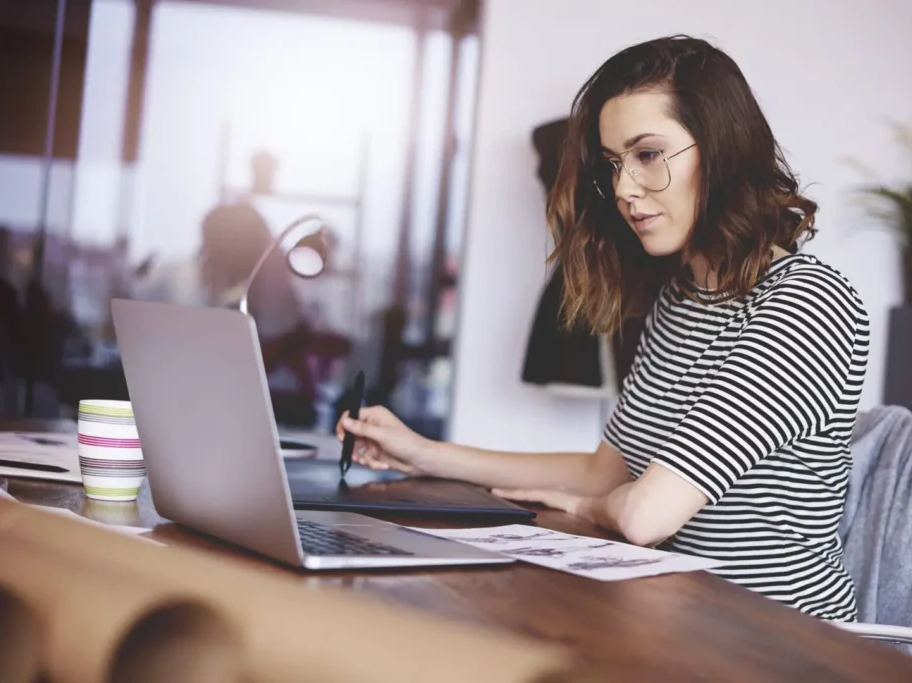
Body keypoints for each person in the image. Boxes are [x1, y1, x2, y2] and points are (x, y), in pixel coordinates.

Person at [338, 35, 870, 621]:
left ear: (720, 150)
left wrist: (587, 507)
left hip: (779, 640)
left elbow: (644, 516)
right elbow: (604, 471)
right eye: (614, 163)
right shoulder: (684, 297)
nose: (623, 188)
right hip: (674, 613)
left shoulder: (807, 303)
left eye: (647, 155)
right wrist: (424, 454)